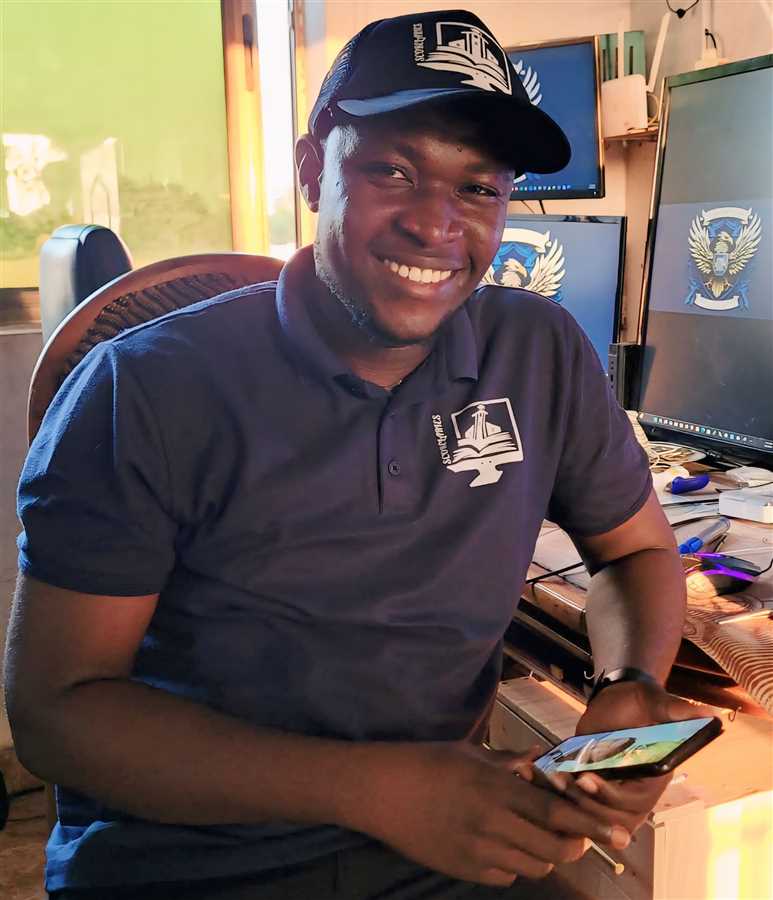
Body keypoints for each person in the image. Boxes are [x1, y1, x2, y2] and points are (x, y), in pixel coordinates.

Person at [6, 9, 704, 900]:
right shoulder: (143, 388)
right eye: (393, 171)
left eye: (477, 188)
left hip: (440, 849)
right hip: (188, 865)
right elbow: (57, 714)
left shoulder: (539, 352)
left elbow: (636, 552)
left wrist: (629, 683)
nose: (435, 225)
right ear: (312, 172)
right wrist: (381, 790)